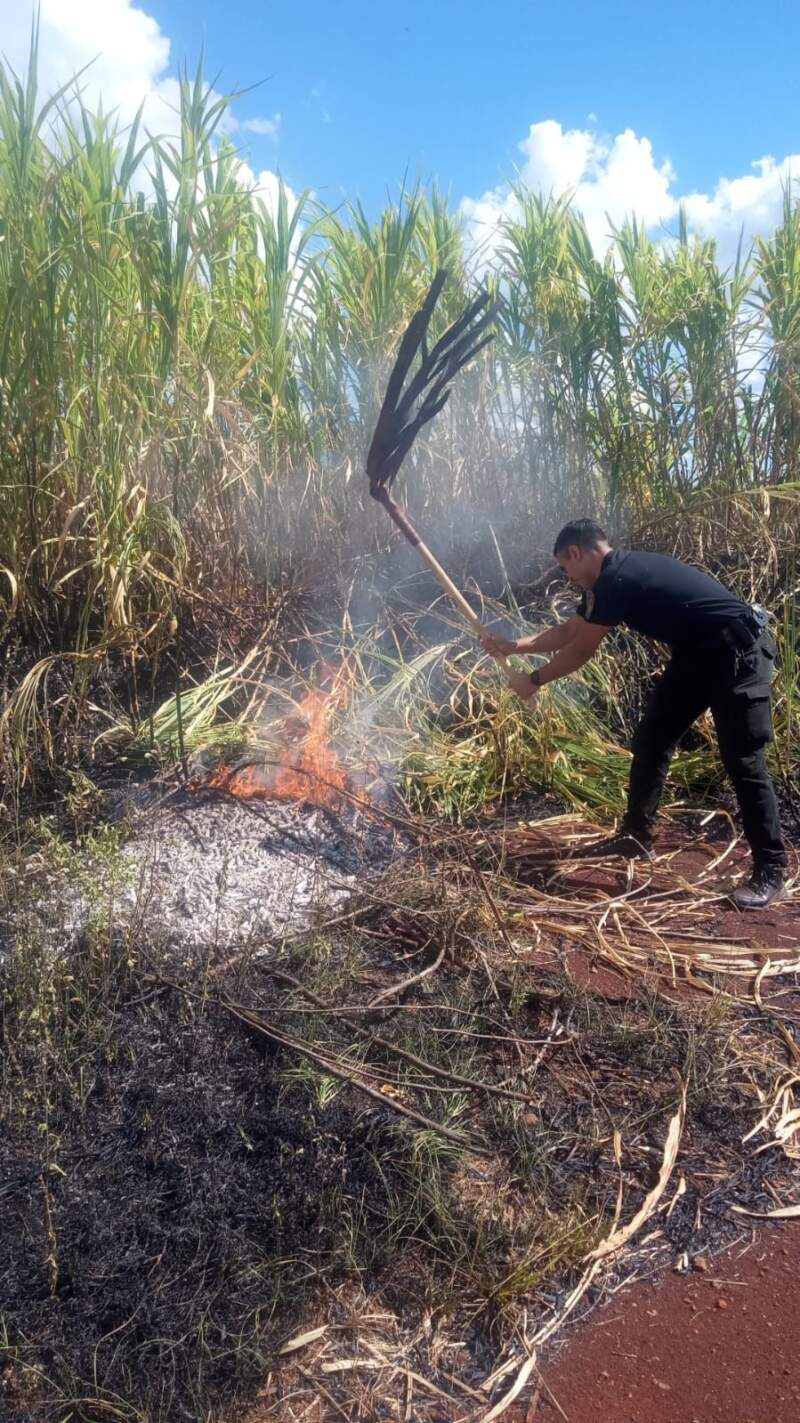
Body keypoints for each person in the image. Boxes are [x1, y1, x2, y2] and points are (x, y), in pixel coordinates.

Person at [481, 518, 786, 910]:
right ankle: (636, 836)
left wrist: (535, 680)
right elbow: (571, 631)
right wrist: (512, 646)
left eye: (565, 566)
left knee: (743, 759)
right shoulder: (611, 578)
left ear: (576, 553)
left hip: (738, 653)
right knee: (652, 739)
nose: (568, 575)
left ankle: (770, 871)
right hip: (696, 656)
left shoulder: (616, 578)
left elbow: (581, 651)